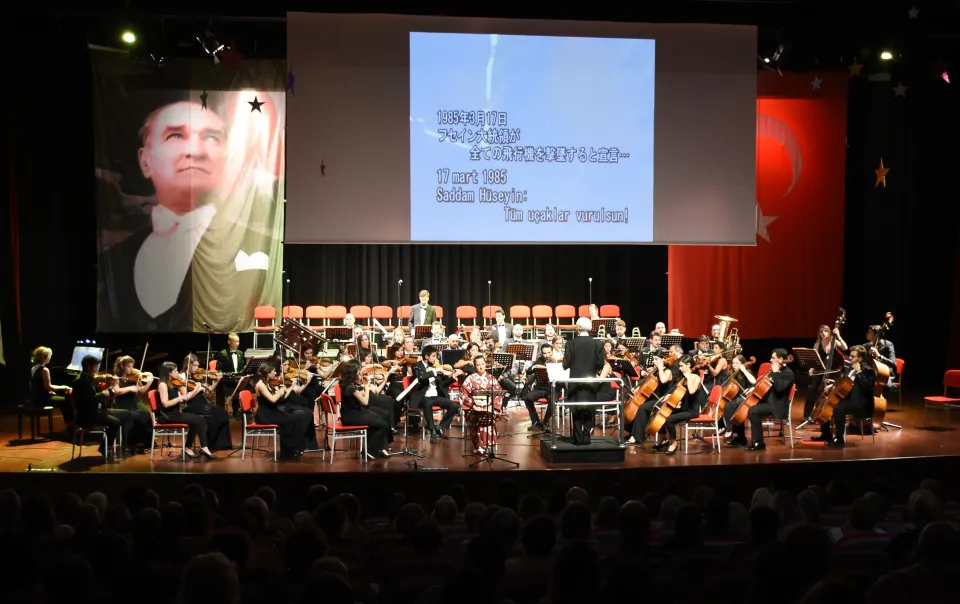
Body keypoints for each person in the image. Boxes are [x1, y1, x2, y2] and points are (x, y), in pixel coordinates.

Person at [97, 100, 277, 332]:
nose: (196, 151)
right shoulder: (115, 258)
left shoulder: (258, 246)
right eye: (175, 136)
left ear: (226, 159)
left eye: (211, 138)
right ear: (145, 160)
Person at [732, 348, 796, 451]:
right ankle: (740, 437)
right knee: (738, 404)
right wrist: (753, 388)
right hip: (767, 401)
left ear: (780, 359)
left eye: (773, 358)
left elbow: (779, 389)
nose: (770, 360)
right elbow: (763, 384)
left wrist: (776, 373)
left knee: (753, 411)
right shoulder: (773, 371)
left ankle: (759, 442)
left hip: (777, 405)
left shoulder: (788, 374)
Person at [814, 345, 876, 448]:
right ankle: (826, 434)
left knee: (838, 408)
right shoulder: (850, 368)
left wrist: (859, 372)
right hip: (848, 400)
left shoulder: (868, 371)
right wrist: (833, 384)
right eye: (850, 355)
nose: (850, 358)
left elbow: (867, 387)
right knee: (821, 402)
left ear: (860, 358)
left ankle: (839, 438)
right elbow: (844, 382)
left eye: (853, 356)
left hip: (861, 404)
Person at [155, 361, 216, 459]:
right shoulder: (163, 385)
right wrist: (178, 399)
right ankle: (203, 447)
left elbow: (186, 397)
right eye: (175, 371)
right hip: (167, 416)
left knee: (197, 420)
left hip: (175, 414)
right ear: (169, 373)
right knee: (199, 420)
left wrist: (196, 389)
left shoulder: (174, 383)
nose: (178, 373)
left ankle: (189, 448)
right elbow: (165, 403)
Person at [626, 345, 682, 445]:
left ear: (663, 360)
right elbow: (648, 383)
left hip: (663, 399)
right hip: (654, 397)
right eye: (654, 359)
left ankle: (637, 437)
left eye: (657, 359)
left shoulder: (668, 371)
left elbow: (663, 380)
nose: (654, 362)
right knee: (637, 407)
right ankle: (632, 432)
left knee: (643, 408)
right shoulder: (656, 370)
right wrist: (638, 387)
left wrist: (660, 368)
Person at [652, 355, 707, 456]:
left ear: (688, 365)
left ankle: (673, 443)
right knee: (661, 413)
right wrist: (669, 395)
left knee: (669, 419)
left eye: (682, 366)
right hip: (683, 408)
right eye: (679, 366)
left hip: (692, 411)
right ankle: (663, 438)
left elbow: (691, 391)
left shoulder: (696, 378)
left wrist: (689, 377)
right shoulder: (682, 378)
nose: (680, 368)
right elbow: (678, 392)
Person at [563, 317, 605, 445]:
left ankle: (577, 438)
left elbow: (566, 364)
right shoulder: (598, 343)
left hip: (575, 380)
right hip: (591, 380)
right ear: (590, 328)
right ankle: (587, 437)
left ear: (578, 328)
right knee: (589, 407)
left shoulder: (570, 343)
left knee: (576, 408)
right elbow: (600, 364)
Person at [337, 360, 392, 459]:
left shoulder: (352, 384)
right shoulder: (350, 387)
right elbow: (365, 402)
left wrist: (365, 386)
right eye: (359, 371)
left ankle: (380, 448)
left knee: (382, 417)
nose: (361, 372)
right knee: (383, 425)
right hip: (350, 416)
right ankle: (369, 450)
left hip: (356, 412)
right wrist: (366, 388)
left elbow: (363, 398)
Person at [252, 363, 308, 459]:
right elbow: (273, 399)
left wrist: (290, 387)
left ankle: (295, 449)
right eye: (273, 371)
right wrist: (280, 390)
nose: (275, 373)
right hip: (265, 415)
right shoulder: (260, 384)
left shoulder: (269, 383)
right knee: (291, 420)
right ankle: (289, 453)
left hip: (273, 412)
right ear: (267, 373)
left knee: (297, 418)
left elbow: (282, 399)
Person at [71, 355, 122, 457]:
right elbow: (89, 400)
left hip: (94, 411)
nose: (97, 369)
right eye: (95, 366)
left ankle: (120, 445)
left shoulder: (88, 378)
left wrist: (108, 386)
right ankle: (104, 448)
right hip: (87, 416)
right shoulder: (81, 381)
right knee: (116, 422)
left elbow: (96, 393)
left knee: (123, 415)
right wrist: (105, 393)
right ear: (89, 367)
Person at [181, 354, 232, 451]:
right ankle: (210, 443)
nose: (197, 368)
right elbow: (186, 397)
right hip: (192, 405)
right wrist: (197, 388)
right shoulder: (182, 377)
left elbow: (209, 391)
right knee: (218, 413)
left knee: (222, 412)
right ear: (188, 364)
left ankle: (219, 444)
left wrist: (217, 381)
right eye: (195, 365)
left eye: (198, 365)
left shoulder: (195, 377)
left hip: (202, 403)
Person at [410, 346, 461, 444]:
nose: (435, 359)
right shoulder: (416, 366)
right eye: (433, 356)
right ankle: (432, 430)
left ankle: (440, 427)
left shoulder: (435, 367)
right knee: (427, 403)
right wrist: (434, 372)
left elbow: (442, 385)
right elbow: (421, 377)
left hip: (435, 396)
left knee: (454, 406)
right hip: (422, 397)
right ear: (426, 356)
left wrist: (453, 377)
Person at [111, 355, 155, 453]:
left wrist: (149, 383)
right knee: (134, 416)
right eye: (129, 367)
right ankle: (130, 444)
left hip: (134, 402)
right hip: (122, 403)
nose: (132, 369)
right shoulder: (116, 378)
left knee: (146, 414)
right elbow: (116, 391)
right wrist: (129, 388)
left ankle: (144, 443)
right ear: (122, 366)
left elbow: (141, 391)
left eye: (132, 366)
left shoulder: (134, 377)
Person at [804, 324, 848, 421]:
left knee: (828, 391)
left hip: (831, 371)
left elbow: (845, 347)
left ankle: (826, 413)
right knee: (812, 389)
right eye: (821, 332)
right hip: (819, 370)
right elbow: (814, 360)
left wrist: (838, 335)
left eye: (825, 331)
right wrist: (811, 368)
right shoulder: (817, 344)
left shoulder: (833, 341)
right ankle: (808, 415)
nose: (823, 333)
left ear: (829, 332)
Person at [460, 355, 503, 454]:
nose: (481, 367)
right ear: (474, 366)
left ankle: (488, 445)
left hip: (489, 407)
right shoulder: (470, 379)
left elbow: (498, 393)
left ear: (486, 365)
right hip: (474, 407)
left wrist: (492, 406)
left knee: (488, 418)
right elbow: (463, 394)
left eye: (482, 364)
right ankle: (479, 445)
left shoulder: (491, 378)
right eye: (478, 364)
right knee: (476, 418)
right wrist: (473, 406)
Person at [29, 346, 73, 428]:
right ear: (45, 357)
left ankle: (69, 423)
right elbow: (49, 387)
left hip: (35, 397)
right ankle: (69, 424)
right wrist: (64, 387)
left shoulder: (34, 368)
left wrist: (48, 392)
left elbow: (39, 385)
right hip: (42, 400)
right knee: (66, 400)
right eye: (49, 356)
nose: (50, 357)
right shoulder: (44, 370)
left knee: (61, 397)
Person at [722, 355, 757, 445]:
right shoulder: (731, 373)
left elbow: (754, 382)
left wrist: (744, 370)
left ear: (742, 364)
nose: (734, 365)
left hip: (745, 397)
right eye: (733, 363)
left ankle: (729, 430)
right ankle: (739, 436)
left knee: (730, 406)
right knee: (729, 406)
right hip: (735, 397)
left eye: (737, 363)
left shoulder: (746, 372)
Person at [216, 333, 245, 413]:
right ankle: (235, 410)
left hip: (237, 378)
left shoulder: (240, 353)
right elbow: (219, 369)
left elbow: (241, 368)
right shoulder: (223, 353)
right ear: (229, 342)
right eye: (235, 341)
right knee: (234, 387)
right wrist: (222, 376)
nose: (237, 344)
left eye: (238, 341)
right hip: (228, 379)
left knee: (246, 385)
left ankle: (243, 409)